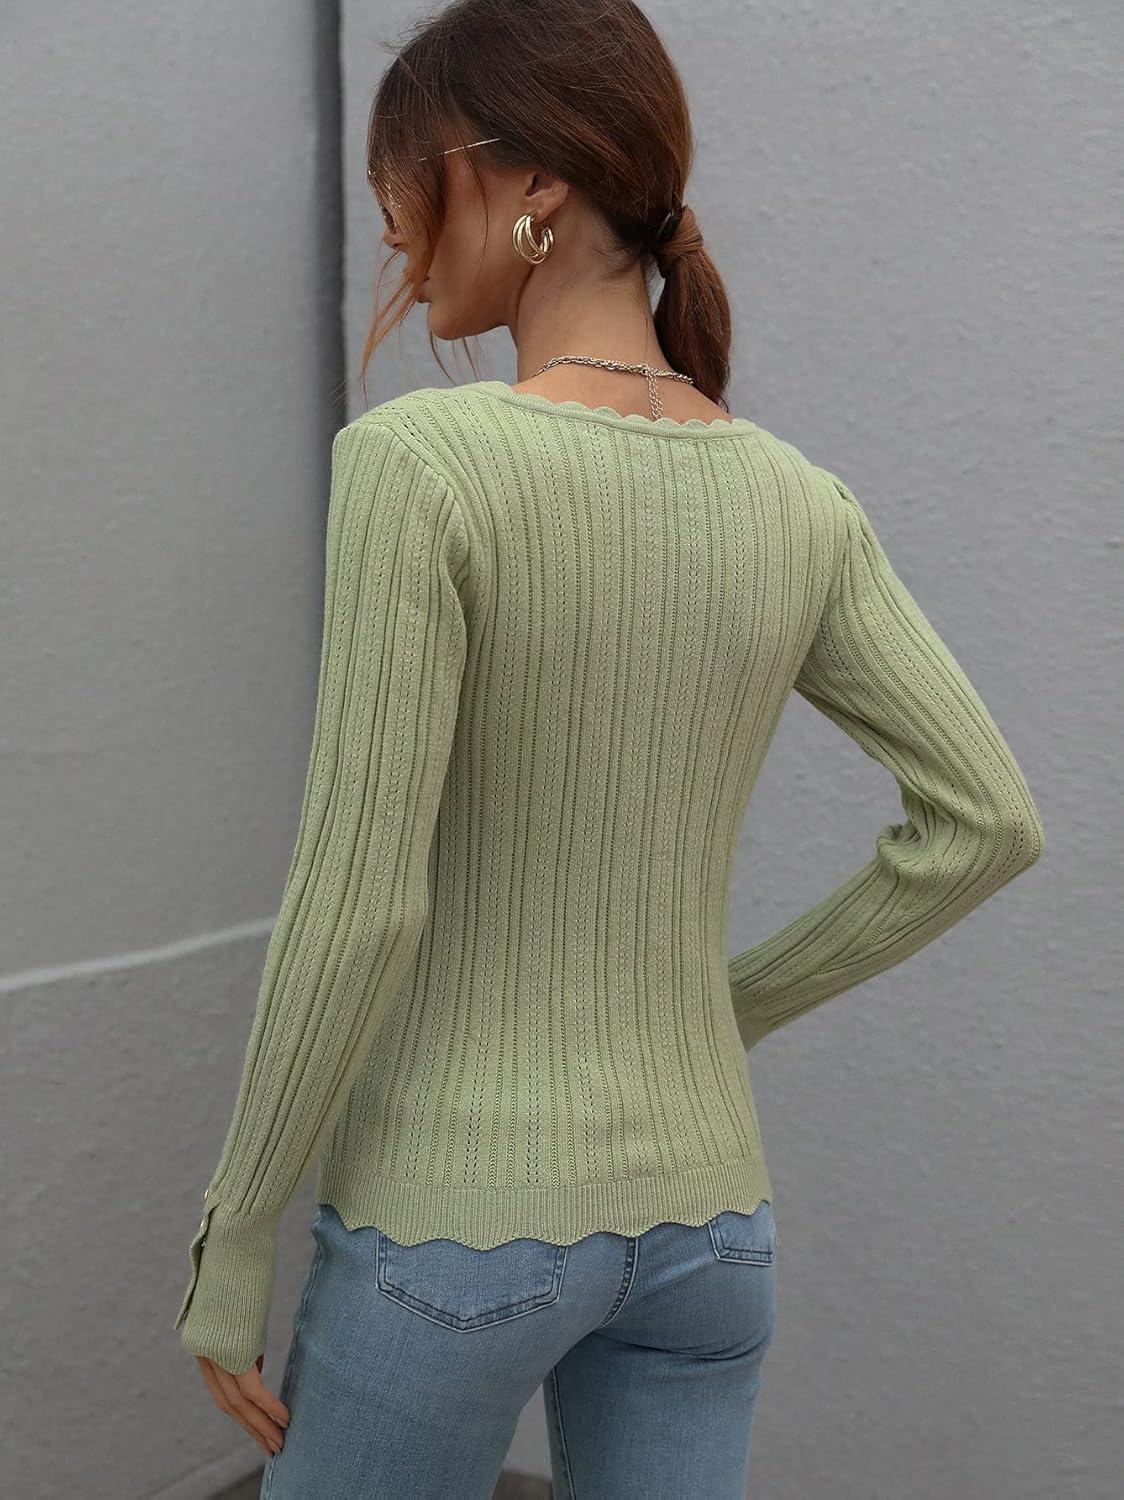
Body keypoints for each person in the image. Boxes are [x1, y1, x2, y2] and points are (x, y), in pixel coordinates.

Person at [171, 2, 1045, 1495]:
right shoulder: (798, 498)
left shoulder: (419, 465)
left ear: (535, 184)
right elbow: (989, 821)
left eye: (410, 180)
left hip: (454, 1226)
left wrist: (235, 1231)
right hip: (711, 1228)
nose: (393, 230)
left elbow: (360, 899)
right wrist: (726, 1012)